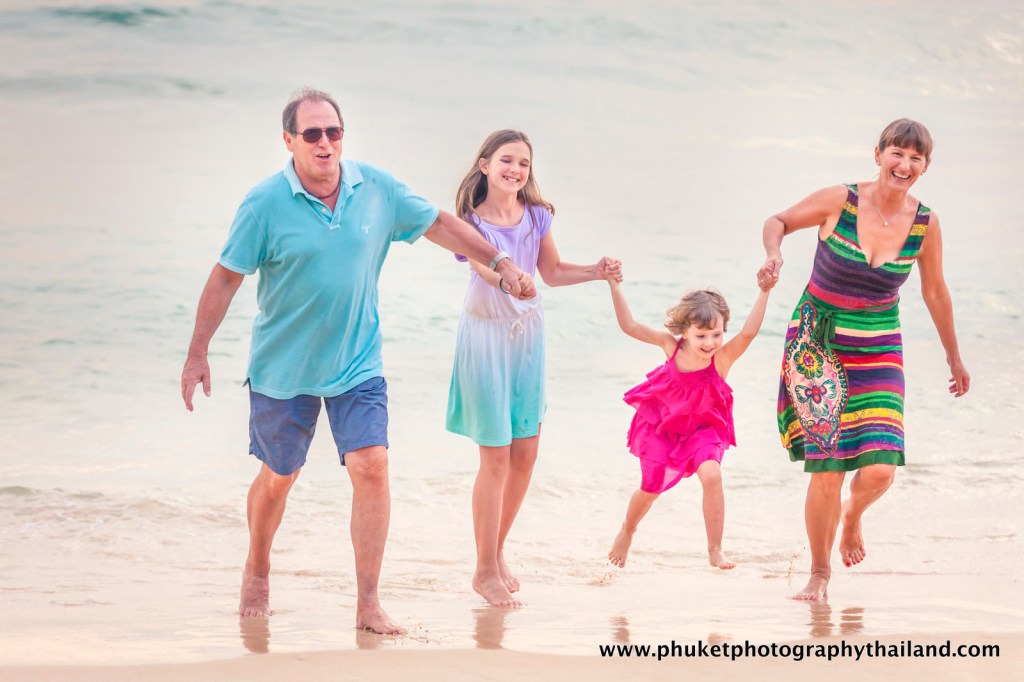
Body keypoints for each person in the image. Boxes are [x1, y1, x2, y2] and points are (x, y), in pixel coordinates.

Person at [179, 88, 530, 634]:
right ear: (289, 140)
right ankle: (257, 568)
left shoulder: (376, 188)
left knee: (372, 466)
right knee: (279, 476)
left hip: (357, 363)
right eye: (312, 134)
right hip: (283, 369)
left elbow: (438, 223)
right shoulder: (263, 203)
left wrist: (501, 260)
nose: (325, 143)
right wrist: (198, 351)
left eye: (333, 132)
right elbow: (227, 275)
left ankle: (368, 602)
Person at [759, 118, 971, 601]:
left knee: (879, 468)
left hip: (878, 342)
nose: (905, 164)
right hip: (817, 342)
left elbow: (936, 292)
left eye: (916, 158)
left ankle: (853, 517)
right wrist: (774, 254)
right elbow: (779, 221)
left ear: (925, 167)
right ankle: (819, 573)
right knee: (828, 466)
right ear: (878, 154)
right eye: (897, 153)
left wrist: (953, 356)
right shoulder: (841, 200)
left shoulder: (925, 223)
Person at [445, 129, 621, 608]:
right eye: (506, 160)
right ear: (484, 165)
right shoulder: (469, 221)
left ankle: (496, 553)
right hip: (485, 337)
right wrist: (508, 278)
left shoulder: (538, 216)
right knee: (496, 455)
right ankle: (484, 571)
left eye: (523, 163)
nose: (516, 170)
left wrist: (597, 271)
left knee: (526, 453)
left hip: (529, 339)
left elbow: (552, 273)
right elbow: (482, 267)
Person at [606, 277, 771, 571]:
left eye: (717, 334)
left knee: (712, 474)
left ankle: (715, 549)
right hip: (665, 428)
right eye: (702, 336)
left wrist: (764, 290)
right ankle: (627, 530)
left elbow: (749, 332)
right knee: (651, 487)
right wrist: (614, 286)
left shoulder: (721, 360)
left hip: (705, 429)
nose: (710, 343)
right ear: (685, 331)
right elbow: (629, 325)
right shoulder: (671, 347)